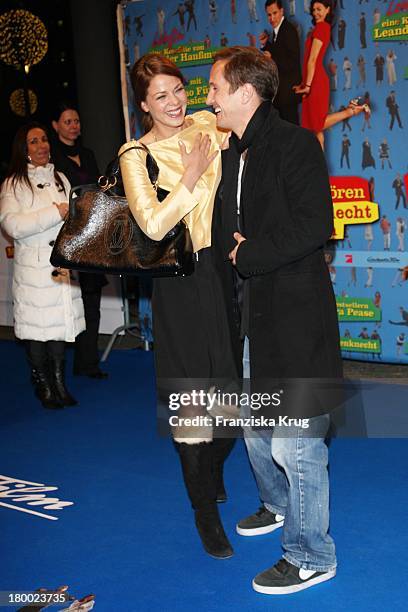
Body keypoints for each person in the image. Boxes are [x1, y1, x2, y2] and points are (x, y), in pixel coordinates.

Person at [207, 46, 342, 595]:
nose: (207, 97)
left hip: (295, 318)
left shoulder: (293, 144)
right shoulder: (233, 152)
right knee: (257, 427)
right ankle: (279, 505)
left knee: (296, 443)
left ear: (244, 92)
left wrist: (251, 253)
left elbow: (316, 225)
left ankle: (313, 555)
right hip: (251, 316)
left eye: (215, 87)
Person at [118, 54, 238, 559]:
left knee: (229, 398)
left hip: (222, 273)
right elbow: (151, 225)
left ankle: (209, 468)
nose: (173, 102)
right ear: (143, 104)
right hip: (178, 280)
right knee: (192, 399)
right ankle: (203, 511)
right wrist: (189, 175)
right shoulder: (136, 153)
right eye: (159, 96)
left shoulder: (209, 122)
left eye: (177, 90)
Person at [0, 123, 85, 409]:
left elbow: (74, 219)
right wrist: (54, 213)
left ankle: (60, 383)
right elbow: (12, 225)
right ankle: (44, 385)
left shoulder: (61, 178)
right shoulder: (13, 183)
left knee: (61, 328)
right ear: (24, 150)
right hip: (34, 272)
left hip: (60, 266)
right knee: (37, 332)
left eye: (44, 140)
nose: (42, 146)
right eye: (34, 141)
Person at [51, 102, 108, 380]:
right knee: (70, 302)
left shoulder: (88, 154)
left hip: (91, 235)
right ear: (56, 126)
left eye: (76, 121)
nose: (74, 125)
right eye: (67, 121)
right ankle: (63, 365)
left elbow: (98, 189)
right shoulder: (51, 158)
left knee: (92, 299)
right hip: (66, 237)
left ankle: (89, 362)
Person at [293, 1, 368, 149]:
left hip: (316, 82)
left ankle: (349, 111)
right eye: (314, 9)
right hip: (311, 80)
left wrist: (307, 86)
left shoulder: (321, 28)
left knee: (317, 124)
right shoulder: (319, 28)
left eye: (319, 9)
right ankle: (321, 170)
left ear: (327, 10)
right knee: (315, 131)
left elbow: (313, 59)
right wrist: (304, 84)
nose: (316, 13)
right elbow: (309, 60)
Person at [258, 0, 301, 124]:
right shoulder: (279, 30)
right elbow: (279, 53)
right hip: (282, 94)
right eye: (269, 15)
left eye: (275, 13)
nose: (272, 18)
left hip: (287, 94)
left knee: (291, 135)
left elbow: (292, 62)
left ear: (282, 11)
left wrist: (272, 59)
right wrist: (266, 44)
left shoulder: (288, 30)